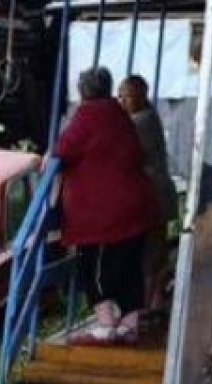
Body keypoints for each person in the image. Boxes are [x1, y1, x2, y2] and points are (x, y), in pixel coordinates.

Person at [54, 66, 159, 345]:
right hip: (135, 205)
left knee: (94, 266)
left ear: (83, 92)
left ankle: (106, 325)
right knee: (129, 265)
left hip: (103, 213)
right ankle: (129, 325)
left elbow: (62, 150)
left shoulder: (88, 116)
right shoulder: (120, 116)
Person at [118, 74, 178, 311]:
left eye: (127, 97)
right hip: (157, 195)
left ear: (141, 96)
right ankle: (155, 300)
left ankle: (149, 303)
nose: (122, 102)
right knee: (155, 252)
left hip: (153, 197)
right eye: (120, 96)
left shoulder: (141, 122)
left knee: (151, 255)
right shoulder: (147, 116)